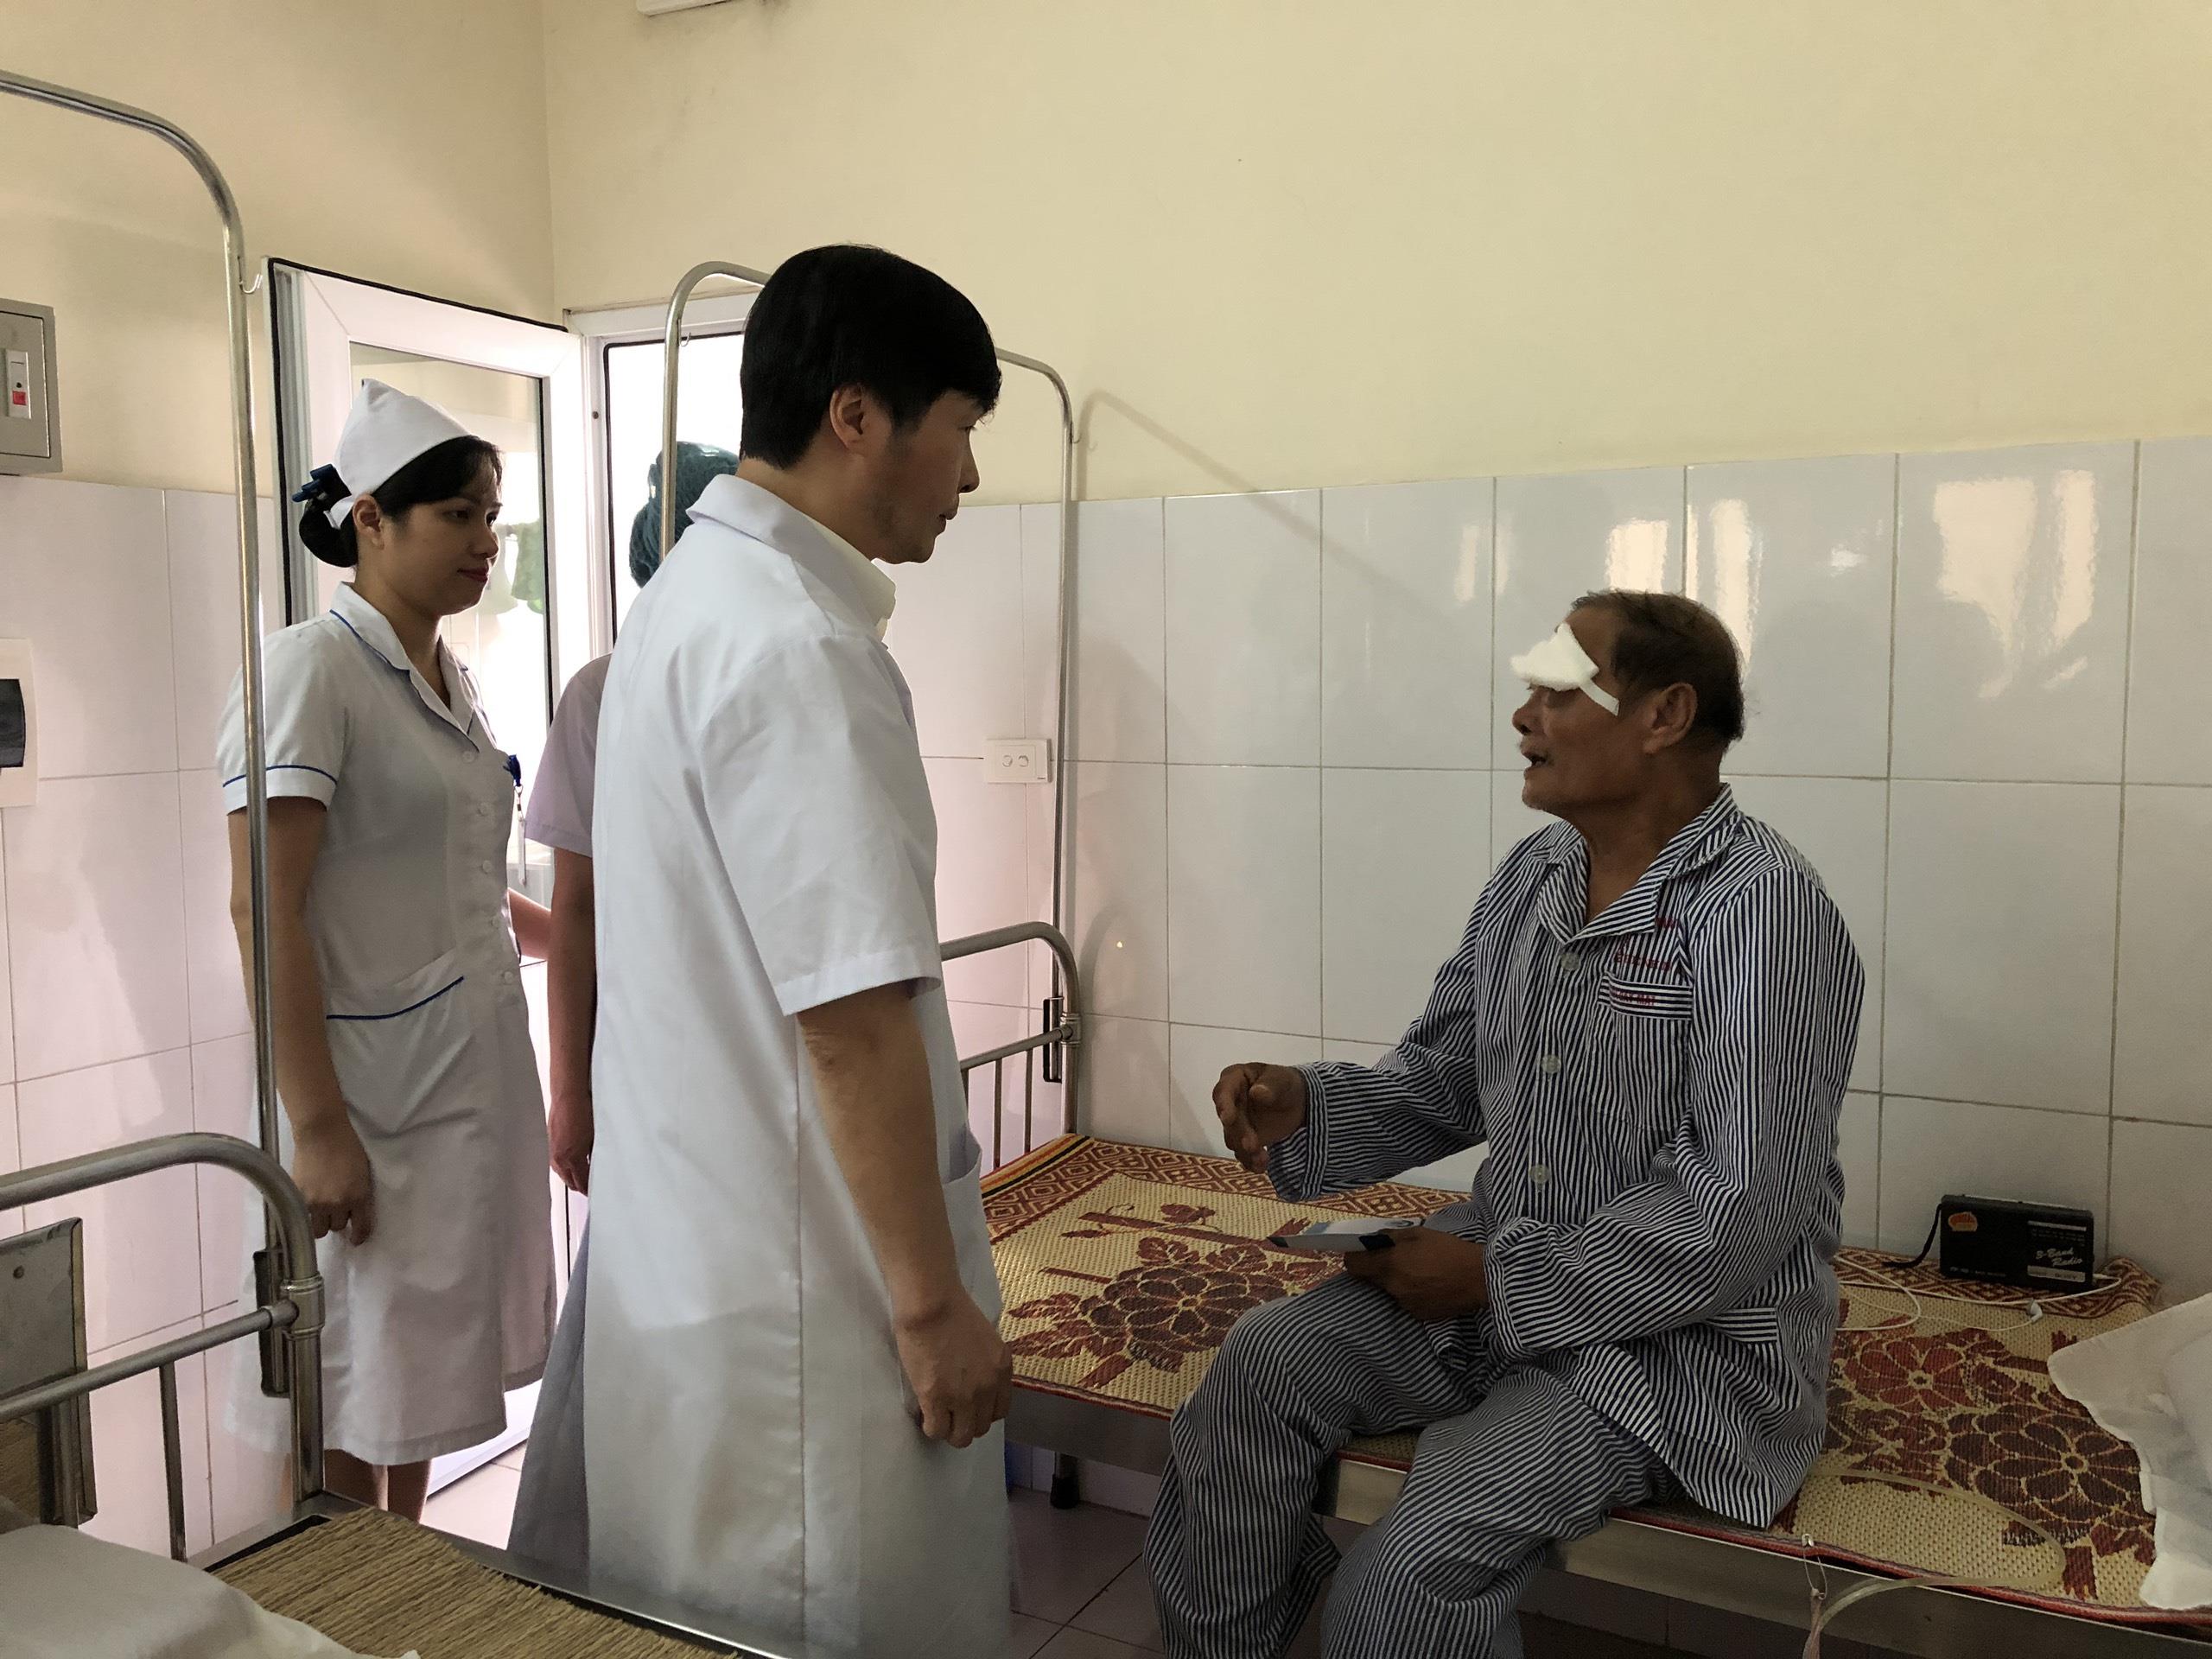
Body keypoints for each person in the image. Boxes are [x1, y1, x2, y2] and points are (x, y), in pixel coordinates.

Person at [1144, 592, 1866, 1659]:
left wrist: (1492, 1280)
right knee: (1257, 1370)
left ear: (1663, 715)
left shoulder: (1765, 914)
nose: (1524, 717)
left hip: (1672, 1350)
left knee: (1405, 1577)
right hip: (1500, 1269)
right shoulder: (1534, 879)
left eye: (1558, 692)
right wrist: (1307, 1102)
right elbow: (1449, 1077)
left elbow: (1734, 1217)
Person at [582, 245, 1014, 1656]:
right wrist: (931, 1307)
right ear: (857, 416)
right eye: (960, 430)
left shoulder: (688, 607)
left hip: (702, 1273)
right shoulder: (796, 647)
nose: (967, 475)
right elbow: (851, 1019)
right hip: (803, 1310)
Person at [218, 380, 557, 1520]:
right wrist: (318, 1129)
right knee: (343, 1398)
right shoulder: (308, 672)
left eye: (491, 517)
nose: (485, 542)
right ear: (371, 518)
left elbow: (457, 880)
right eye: (457, 515)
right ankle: (328, 1611)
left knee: (413, 1392)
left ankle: (401, 1597)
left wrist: (592, 944)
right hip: (361, 1102)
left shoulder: (451, 681)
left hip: (458, 1090)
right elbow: (262, 905)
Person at [505, 439, 737, 1570]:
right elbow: (579, 911)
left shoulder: (783, 669)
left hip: (748, 1066)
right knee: (642, 1317)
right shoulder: (602, 694)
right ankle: (602, 1568)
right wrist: (573, 1094)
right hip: (651, 1068)